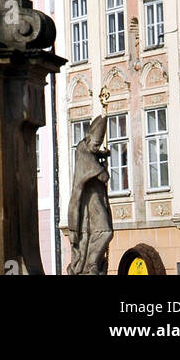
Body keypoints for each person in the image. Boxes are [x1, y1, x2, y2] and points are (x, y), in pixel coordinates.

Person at [67, 115, 114, 275]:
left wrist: (101, 157)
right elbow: (103, 176)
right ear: (88, 139)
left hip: (95, 198)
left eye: (98, 145)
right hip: (87, 201)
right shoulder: (83, 152)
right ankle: (90, 264)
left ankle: (92, 263)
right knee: (104, 231)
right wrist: (102, 166)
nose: (96, 147)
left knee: (102, 232)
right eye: (95, 144)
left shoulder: (89, 152)